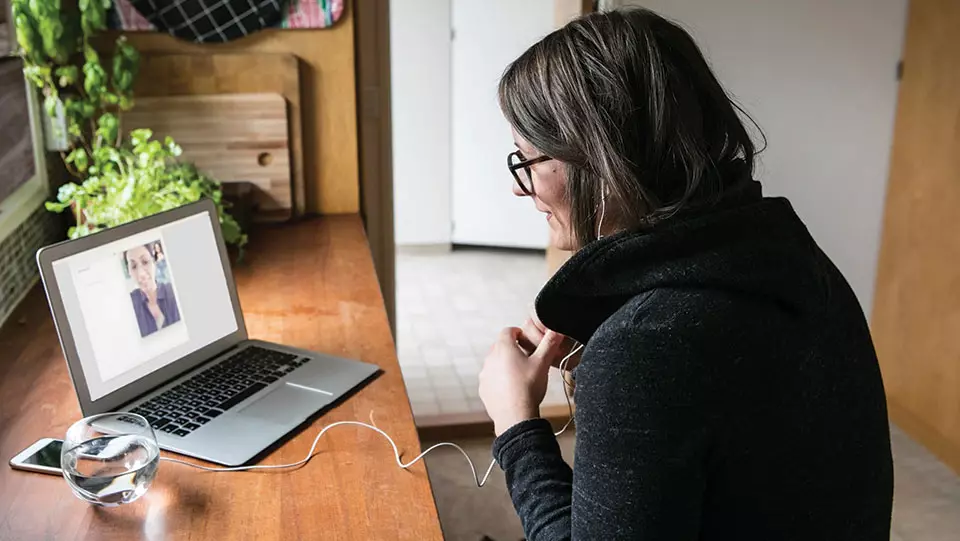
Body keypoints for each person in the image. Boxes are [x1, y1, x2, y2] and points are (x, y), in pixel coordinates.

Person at [477, 8, 893, 540]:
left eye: (527, 159)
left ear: (600, 161)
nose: (519, 186)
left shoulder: (647, 346)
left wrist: (516, 422)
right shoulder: (791, 257)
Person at [125, 243, 181, 337]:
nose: (141, 274)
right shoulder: (129, 303)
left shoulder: (173, 291)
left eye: (145, 262)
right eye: (134, 267)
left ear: (154, 262)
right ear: (129, 271)